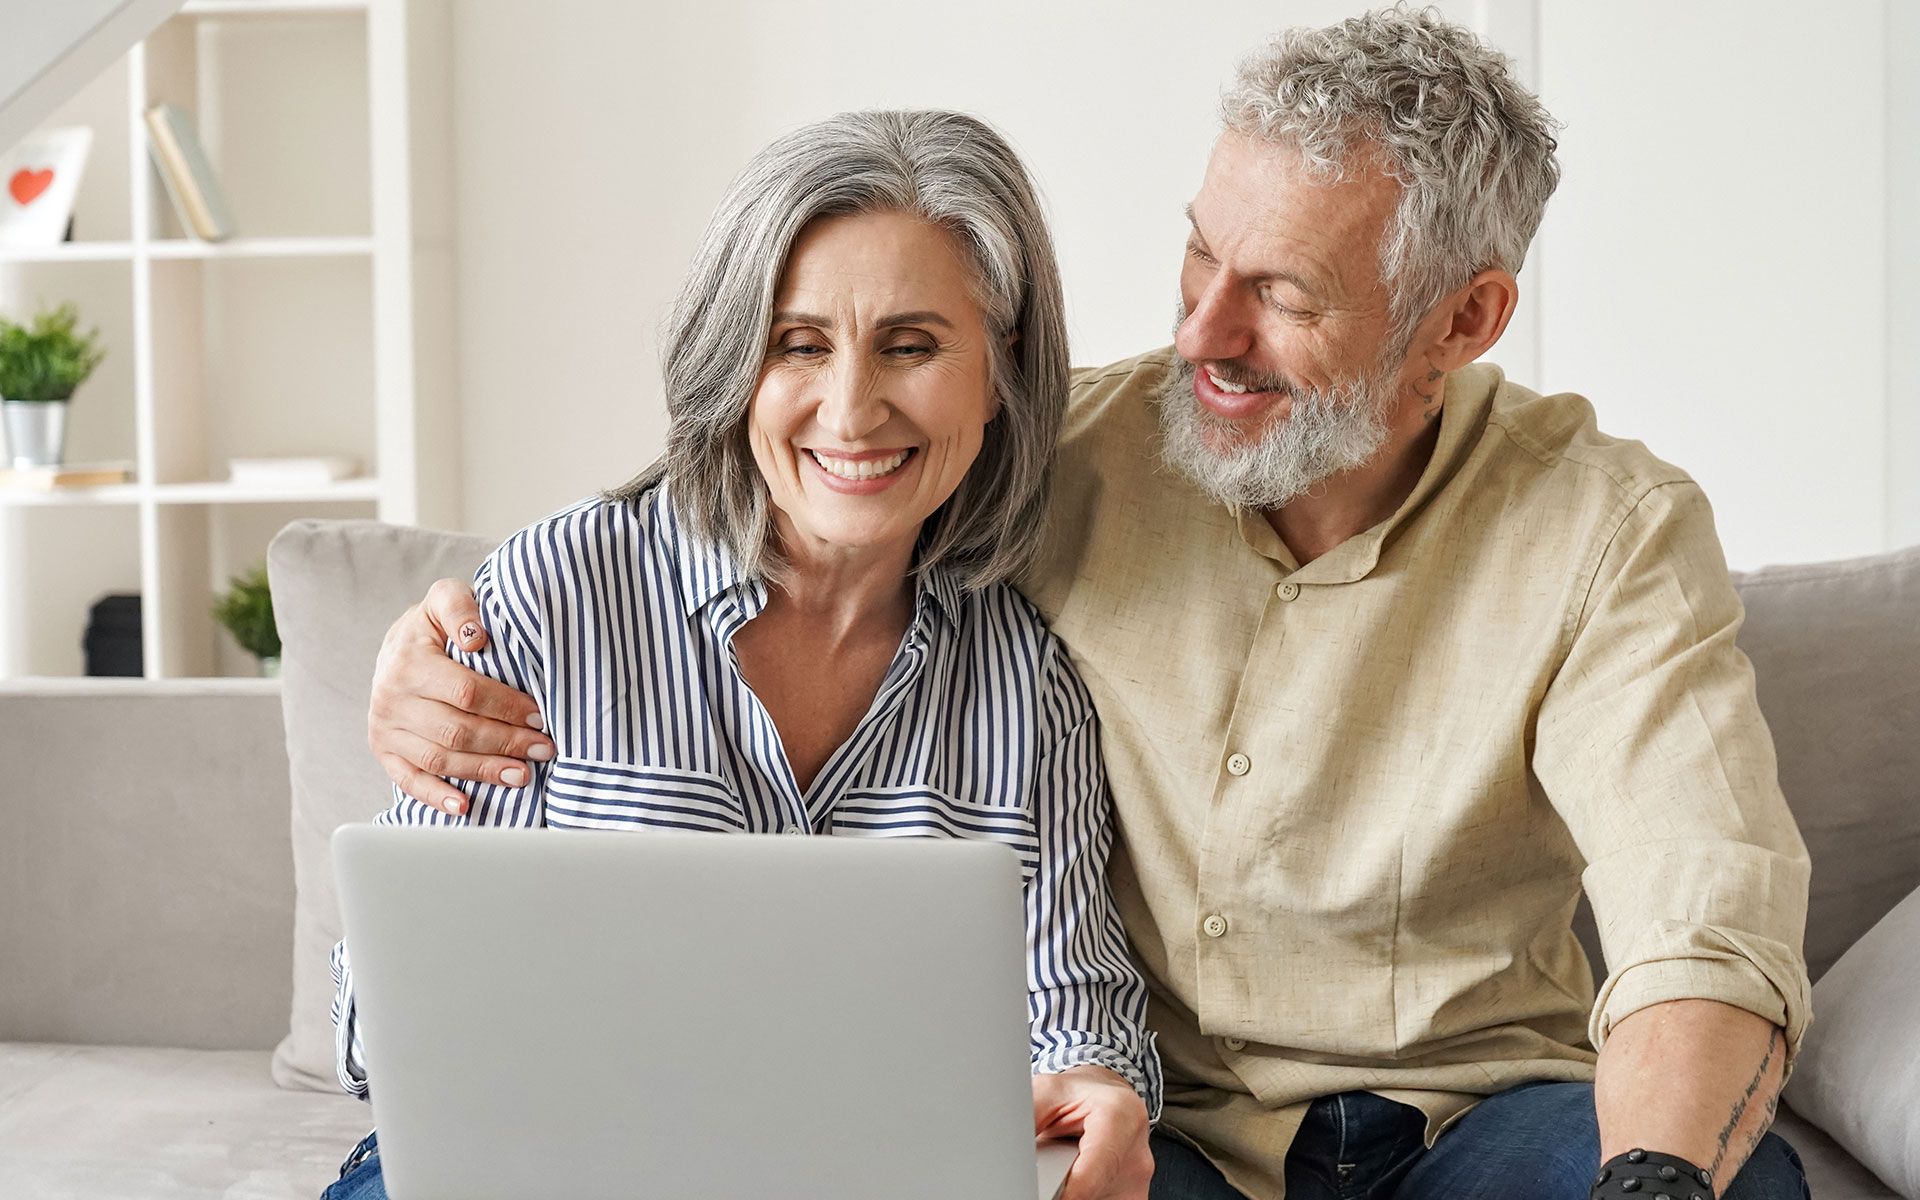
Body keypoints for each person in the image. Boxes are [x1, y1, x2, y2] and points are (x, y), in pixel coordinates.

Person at [367, 11, 1814, 1200]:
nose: (1200, 334)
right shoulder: (1045, 454)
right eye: (1199, 253)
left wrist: (1656, 1184)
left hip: (1477, 1124)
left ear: (1465, 319)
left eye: (1284, 296)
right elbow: (785, 464)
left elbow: (1703, 912)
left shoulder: (1605, 528)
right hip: (1181, 1143)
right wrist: (427, 655)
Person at [323, 109, 1162, 1200]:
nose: (851, 411)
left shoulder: (1024, 682)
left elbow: (1076, 1016)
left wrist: (1098, 1088)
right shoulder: (558, 596)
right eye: (799, 346)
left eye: (911, 345)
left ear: (999, 376)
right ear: (736, 365)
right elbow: (379, 1011)